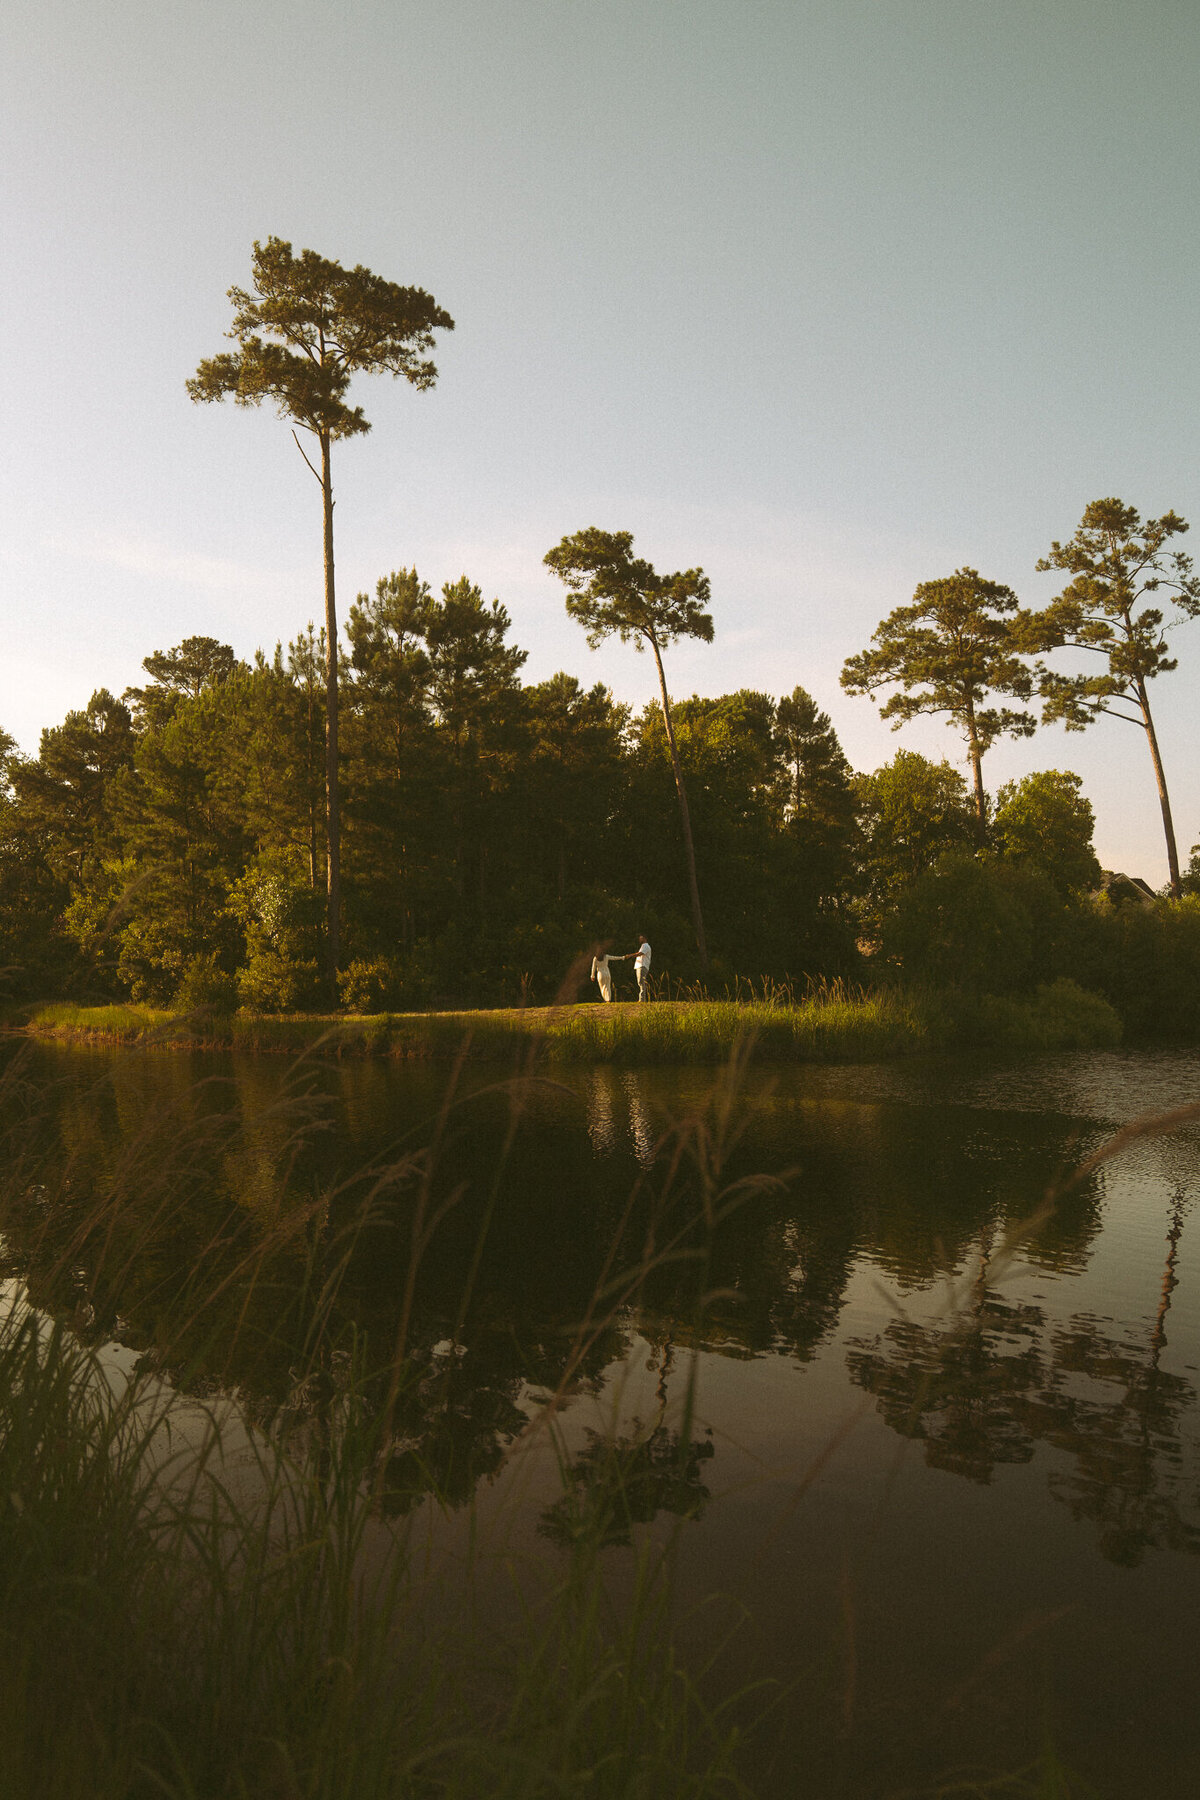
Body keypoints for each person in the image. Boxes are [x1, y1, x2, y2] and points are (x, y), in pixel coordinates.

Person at [633, 934, 651, 1001]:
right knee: (640, 982)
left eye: (641, 938)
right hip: (640, 966)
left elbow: (640, 953)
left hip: (642, 966)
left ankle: (642, 999)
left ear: (644, 938)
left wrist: (630, 956)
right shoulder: (643, 946)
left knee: (641, 982)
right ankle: (642, 999)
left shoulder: (645, 945)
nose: (640, 939)